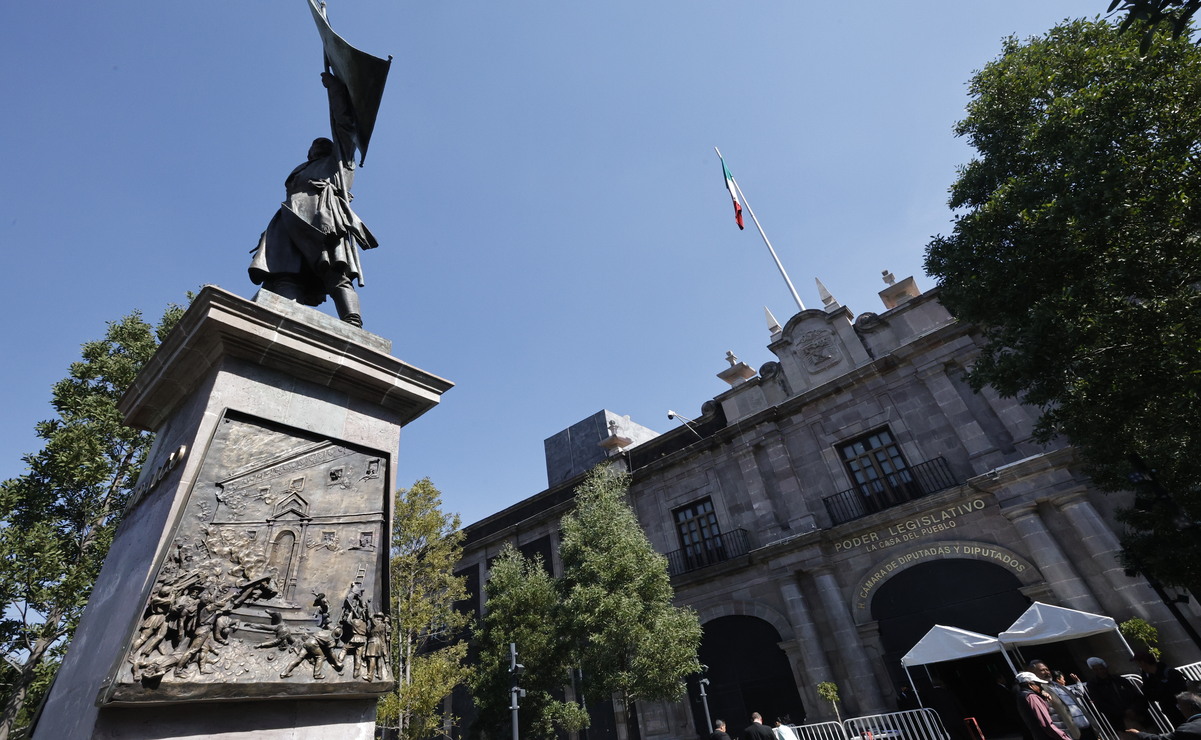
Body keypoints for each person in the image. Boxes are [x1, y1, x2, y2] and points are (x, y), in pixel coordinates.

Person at [249, 71, 378, 327]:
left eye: (325, 144)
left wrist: (335, 91)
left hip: (323, 218)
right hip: (288, 218)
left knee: (334, 270)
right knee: (286, 270)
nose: (319, 145)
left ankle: (352, 321)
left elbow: (343, 126)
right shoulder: (300, 170)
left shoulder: (339, 166)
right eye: (315, 144)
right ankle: (282, 314)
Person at [1030, 660, 1093, 740]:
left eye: (1047, 669)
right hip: (1070, 732)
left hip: (1085, 727)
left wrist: (1078, 682)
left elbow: (1078, 693)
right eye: (1042, 670)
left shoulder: (1058, 685)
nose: (1046, 672)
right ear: (1033, 673)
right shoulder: (1039, 690)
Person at [1087, 657, 1143, 732]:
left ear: (1106, 668)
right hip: (1119, 720)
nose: (1100, 671)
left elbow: (1135, 695)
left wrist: (1133, 709)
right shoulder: (1093, 685)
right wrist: (1123, 713)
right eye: (1096, 670)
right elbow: (1101, 703)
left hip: (1136, 714)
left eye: (1101, 668)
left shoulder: (1119, 679)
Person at [1134, 651, 1189, 727]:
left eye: (1138, 663)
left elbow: (1180, 691)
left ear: (1143, 663)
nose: (1139, 666)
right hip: (1171, 711)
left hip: (1184, 709)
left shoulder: (1170, 673)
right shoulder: (1148, 678)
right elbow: (1149, 695)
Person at [1015, 671, 1073, 740]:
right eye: (1038, 684)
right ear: (1030, 684)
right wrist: (1064, 737)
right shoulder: (1032, 697)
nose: (1040, 686)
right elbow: (1047, 723)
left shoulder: (1022, 696)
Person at [1126, 692, 1201, 740]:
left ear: (1189, 708)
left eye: (1179, 706)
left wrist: (1138, 734)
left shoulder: (1188, 729)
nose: (1179, 709)